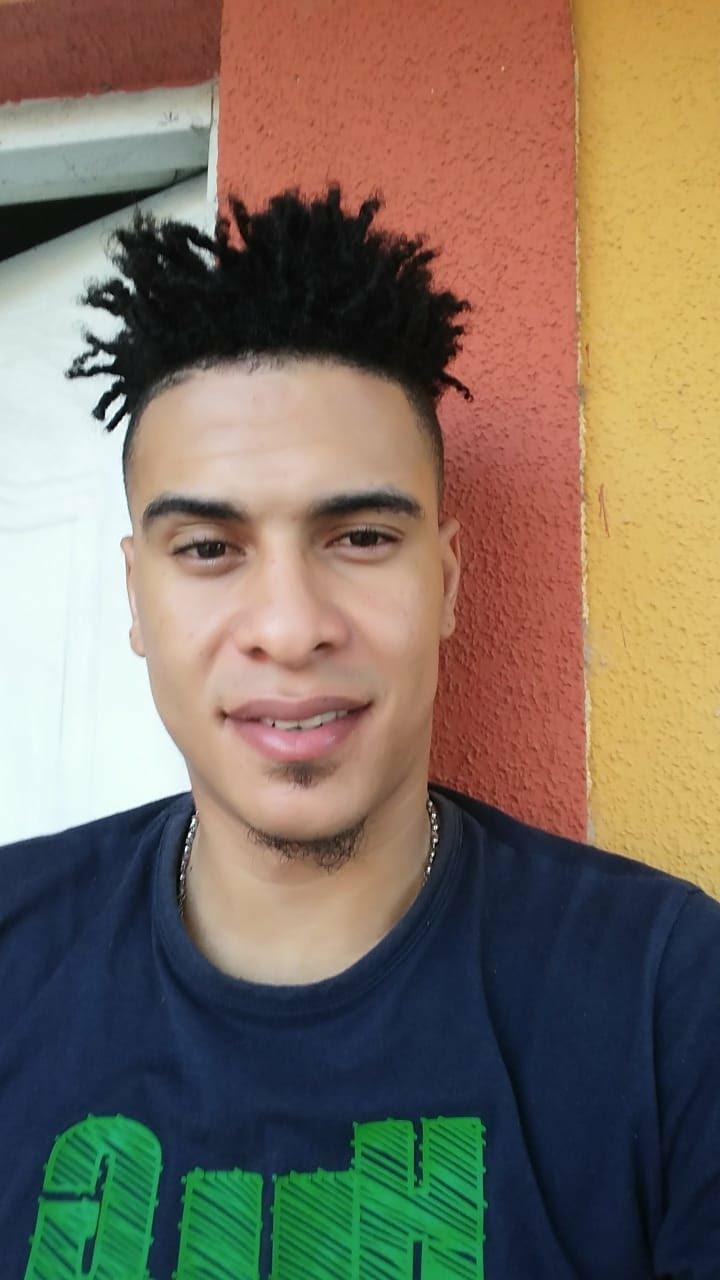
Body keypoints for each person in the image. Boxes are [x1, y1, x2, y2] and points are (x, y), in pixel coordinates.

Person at [1, 187, 718, 1280]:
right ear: (136, 597)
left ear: (448, 582)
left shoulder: (666, 997)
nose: (291, 629)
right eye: (209, 549)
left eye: (362, 537)